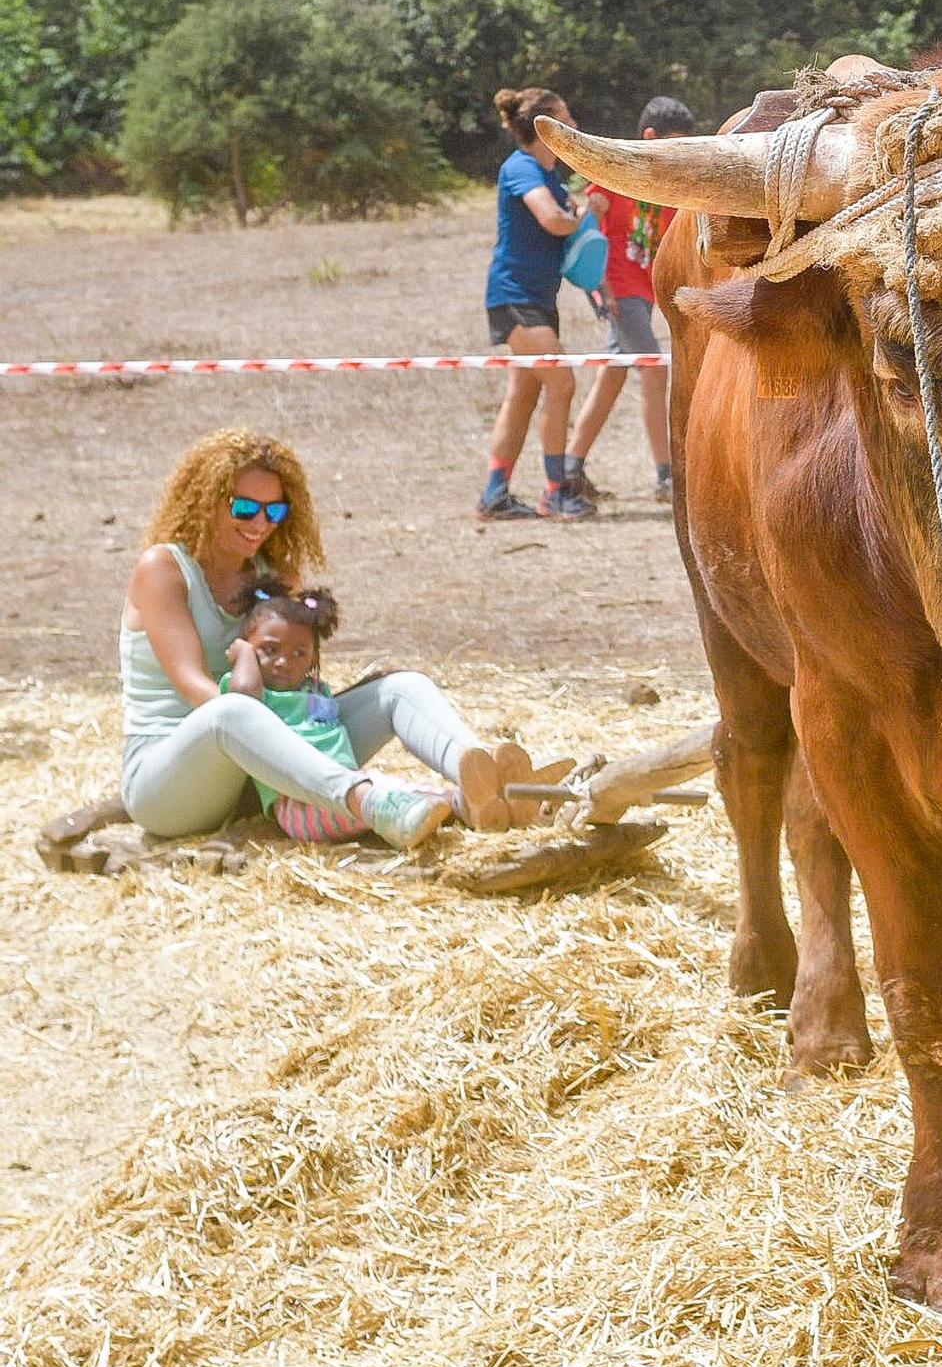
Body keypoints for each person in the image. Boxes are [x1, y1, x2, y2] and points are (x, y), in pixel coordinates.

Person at [121, 430, 531, 851]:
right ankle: (370, 802)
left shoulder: (272, 576)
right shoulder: (164, 568)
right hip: (171, 783)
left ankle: (493, 782)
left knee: (401, 689)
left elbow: (294, 679)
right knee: (233, 710)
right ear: (206, 501)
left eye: (273, 510)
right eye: (243, 508)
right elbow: (194, 688)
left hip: (260, 777)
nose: (259, 524)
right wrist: (282, 737)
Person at [219, 580, 512, 843]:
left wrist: (373, 684)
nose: (284, 661)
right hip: (300, 805)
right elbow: (242, 700)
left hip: (348, 785)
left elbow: (336, 710)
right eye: (269, 650)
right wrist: (244, 654)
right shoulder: (255, 693)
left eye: (299, 654)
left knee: (410, 792)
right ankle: (447, 808)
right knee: (386, 795)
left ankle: (482, 799)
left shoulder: (312, 689)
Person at [564, 96, 691, 505]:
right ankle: (667, 476)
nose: (678, 153)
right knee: (655, 371)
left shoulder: (666, 187)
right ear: (650, 137)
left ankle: (570, 467)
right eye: (672, 143)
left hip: (645, 291)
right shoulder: (612, 178)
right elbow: (589, 238)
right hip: (622, 291)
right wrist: (603, 290)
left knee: (613, 374)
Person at [478, 85, 594, 523]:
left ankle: (494, 494)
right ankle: (555, 492)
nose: (576, 126)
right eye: (566, 119)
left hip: (537, 299)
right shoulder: (522, 168)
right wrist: (583, 217)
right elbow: (551, 219)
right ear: (546, 129)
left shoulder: (549, 175)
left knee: (523, 395)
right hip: (516, 298)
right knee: (562, 384)